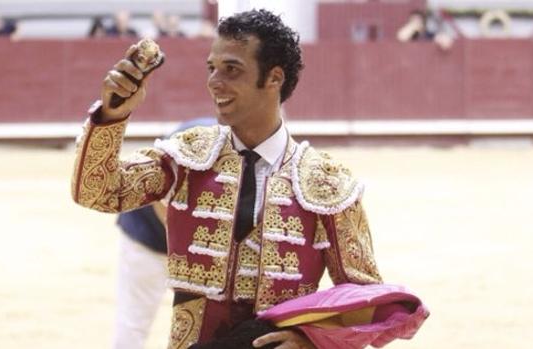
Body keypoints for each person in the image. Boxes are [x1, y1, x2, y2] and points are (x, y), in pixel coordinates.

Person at [71, 9, 382, 348]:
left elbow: (364, 299)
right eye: (212, 68)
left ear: (274, 78)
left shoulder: (327, 183)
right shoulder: (187, 157)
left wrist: (313, 341)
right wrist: (112, 116)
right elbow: (97, 192)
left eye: (231, 69)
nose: (214, 81)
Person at [112, 118, 215, 349]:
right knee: (133, 323)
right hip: (148, 238)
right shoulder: (191, 139)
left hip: (199, 251)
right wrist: (182, 245)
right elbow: (160, 195)